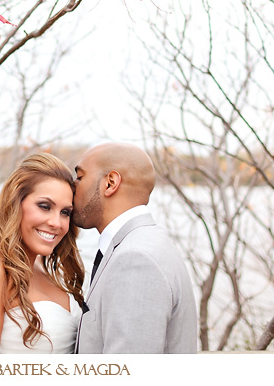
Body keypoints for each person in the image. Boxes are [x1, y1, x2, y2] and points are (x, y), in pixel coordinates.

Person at [73, 142, 197, 353]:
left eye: (80, 177)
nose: (73, 186)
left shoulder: (135, 259)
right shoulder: (147, 242)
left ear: (110, 183)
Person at [0, 153, 85, 353]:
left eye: (65, 212)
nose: (56, 223)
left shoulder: (46, 270)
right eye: (45, 206)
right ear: (16, 203)